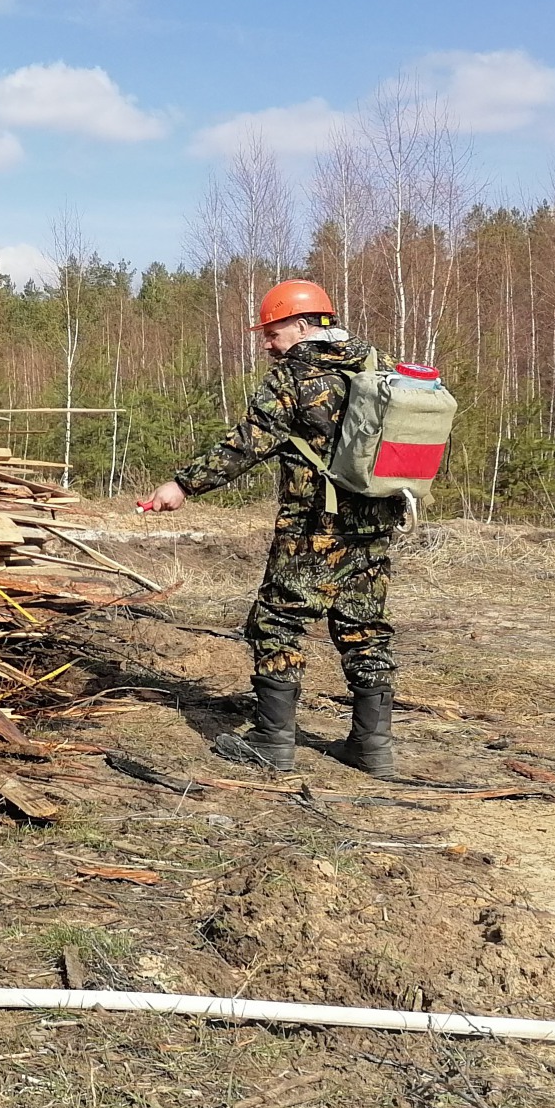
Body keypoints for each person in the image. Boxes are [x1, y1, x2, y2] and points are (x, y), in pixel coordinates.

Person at [141, 279, 403, 777]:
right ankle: (373, 747)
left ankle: (272, 740)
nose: (266, 342)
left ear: (304, 325)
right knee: (364, 627)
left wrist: (181, 485)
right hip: (373, 525)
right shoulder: (379, 366)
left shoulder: (295, 377)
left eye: (273, 330)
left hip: (313, 526)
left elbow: (244, 445)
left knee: (278, 621)